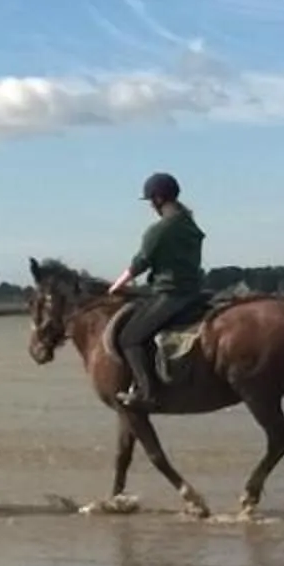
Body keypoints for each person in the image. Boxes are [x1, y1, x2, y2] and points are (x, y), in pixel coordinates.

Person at [105, 171, 205, 409]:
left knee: (129, 337)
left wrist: (116, 286)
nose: (150, 205)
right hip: (194, 291)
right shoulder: (189, 225)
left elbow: (141, 262)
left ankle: (146, 392)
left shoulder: (160, 230)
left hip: (170, 293)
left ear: (158, 199)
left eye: (151, 200)